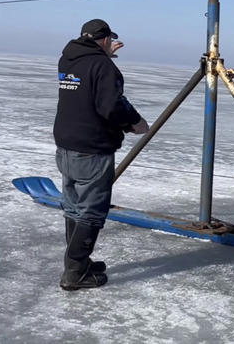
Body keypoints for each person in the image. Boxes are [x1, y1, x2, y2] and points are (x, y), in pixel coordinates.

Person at [53, 19, 149, 290]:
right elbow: (111, 106)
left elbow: (87, 82)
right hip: (92, 148)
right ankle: (74, 273)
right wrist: (135, 123)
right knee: (91, 211)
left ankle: (78, 264)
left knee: (73, 206)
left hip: (67, 144)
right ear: (105, 39)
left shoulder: (68, 60)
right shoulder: (103, 66)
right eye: (110, 39)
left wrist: (103, 54)